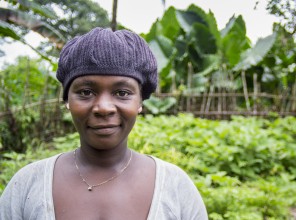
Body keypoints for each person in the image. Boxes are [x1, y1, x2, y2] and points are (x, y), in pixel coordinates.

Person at [0, 27, 208, 220]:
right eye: (86, 92)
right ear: (67, 101)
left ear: (140, 102)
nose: (104, 107)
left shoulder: (176, 188)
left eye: (122, 93)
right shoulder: (27, 185)